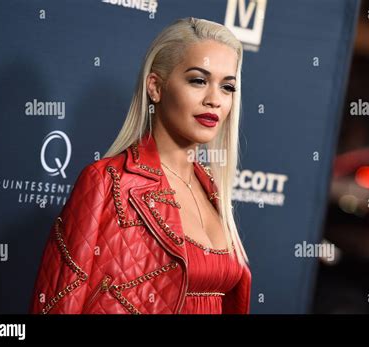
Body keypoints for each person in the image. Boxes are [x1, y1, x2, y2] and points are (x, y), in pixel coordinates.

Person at [29, 17, 251, 314]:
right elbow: (59, 302)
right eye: (198, 80)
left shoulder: (213, 190)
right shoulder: (106, 182)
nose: (214, 100)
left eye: (227, 87)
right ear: (155, 87)